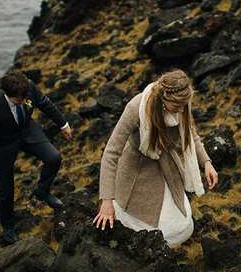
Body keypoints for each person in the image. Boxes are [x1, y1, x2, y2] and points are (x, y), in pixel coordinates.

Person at [93, 69, 218, 246]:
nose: (182, 110)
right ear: (162, 99)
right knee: (152, 233)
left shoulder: (182, 104)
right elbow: (111, 153)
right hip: (136, 170)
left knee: (181, 230)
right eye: (177, 107)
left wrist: (206, 162)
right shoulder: (136, 107)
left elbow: (191, 133)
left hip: (168, 166)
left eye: (184, 106)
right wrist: (107, 201)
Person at [0, 69, 72, 244]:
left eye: (26, 98)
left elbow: (45, 104)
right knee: (7, 190)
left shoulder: (29, 87)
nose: (24, 102)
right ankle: (8, 225)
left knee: (54, 158)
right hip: (2, 145)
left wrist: (63, 124)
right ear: (6, 94)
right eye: (19, 101)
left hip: (27, 130)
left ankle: (42, 192)